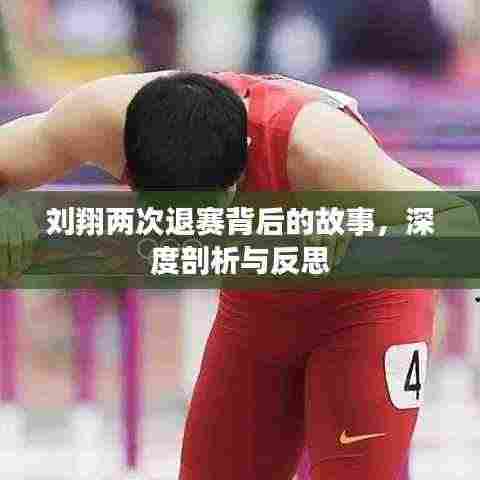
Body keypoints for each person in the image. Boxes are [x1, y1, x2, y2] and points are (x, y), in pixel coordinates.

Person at [0, 71, 475, 478]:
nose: (190, 236)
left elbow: (460, 222)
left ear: (240, 169)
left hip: (367, 306)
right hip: (259, 306)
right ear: (132, 170)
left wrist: (361, 228)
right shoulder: (100, 118)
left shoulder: (322, 151)